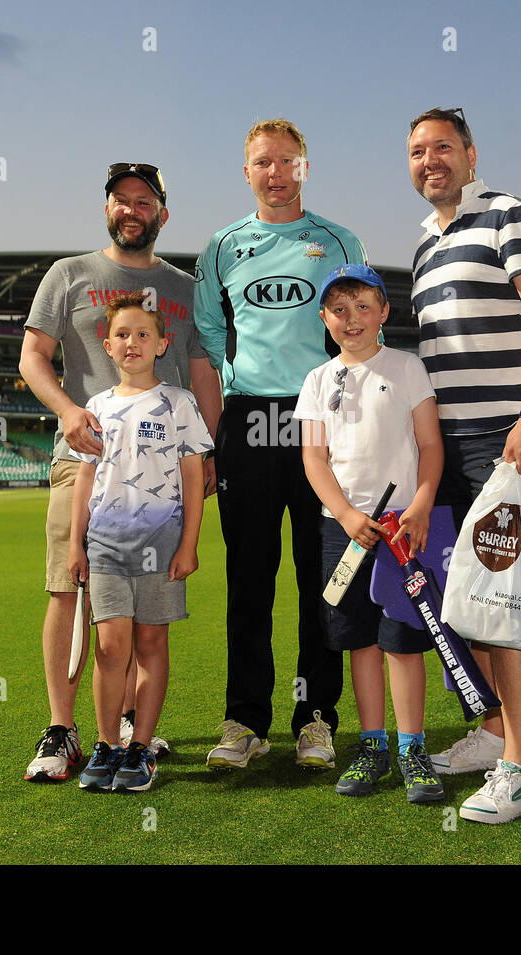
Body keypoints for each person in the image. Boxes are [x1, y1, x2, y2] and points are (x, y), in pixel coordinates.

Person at [19, 162, 222, 783]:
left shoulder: (185, 288)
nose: (131, 209)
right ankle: (61, 730)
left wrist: (209, 455)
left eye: (144, 200)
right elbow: (33, 356)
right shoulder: (69, 275)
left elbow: (203, 369)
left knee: (145, 613)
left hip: (162, 472)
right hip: (83, 465)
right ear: (107, 208)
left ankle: (133, 729)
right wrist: (69, 411)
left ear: (163, 213)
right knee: (67, 588)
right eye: (120, 200)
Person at [407, 107, 521, 824]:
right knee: (471, 598)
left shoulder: (512, 215)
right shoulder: (424, 247)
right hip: (446, 443)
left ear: (471, 155)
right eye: (417, 151)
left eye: (443, 146)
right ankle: (497, 731)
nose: (429, 159)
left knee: (509, 603)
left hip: (504, 441)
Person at [194, 118, 367, 769]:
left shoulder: (338, 240)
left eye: (286, 161)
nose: (275, 172)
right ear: (247, 172)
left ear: (304, 167)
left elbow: (356, 338)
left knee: (321, 579)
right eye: (263, 162)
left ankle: (316, 718)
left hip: (320, 421)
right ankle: (245, 719)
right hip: (247, 426)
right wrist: (217, 438)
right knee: (248, 580)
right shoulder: (221, 247)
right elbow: (210, 346)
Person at [295, 265, 446, 802]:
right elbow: (314, 458)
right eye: (339, 309)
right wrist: (343, 513)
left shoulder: (406, 367)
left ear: (384, 312)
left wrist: (423, 503)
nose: (351, 319)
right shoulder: (316, 381)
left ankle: (412, 748)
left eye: (363, 307)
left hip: (402, 526)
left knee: (402, 643)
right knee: (358, 639)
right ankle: (373, 745)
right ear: (324, 319)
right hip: (344, 528)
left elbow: (429, 445)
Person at [67, 292, 212, 792]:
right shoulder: (95, 407)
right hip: (106, 545)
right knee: (111, 648)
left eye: (143, 334)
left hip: (163, 543)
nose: (132, 342)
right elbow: (84, 479)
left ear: (162, 343)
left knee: (151, 643)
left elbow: (194, 475)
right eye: (122, 335)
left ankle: (141, 748)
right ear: (107, 346)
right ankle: (107, 745)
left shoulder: (179, 403)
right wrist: (75, 544)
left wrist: (190, 541)